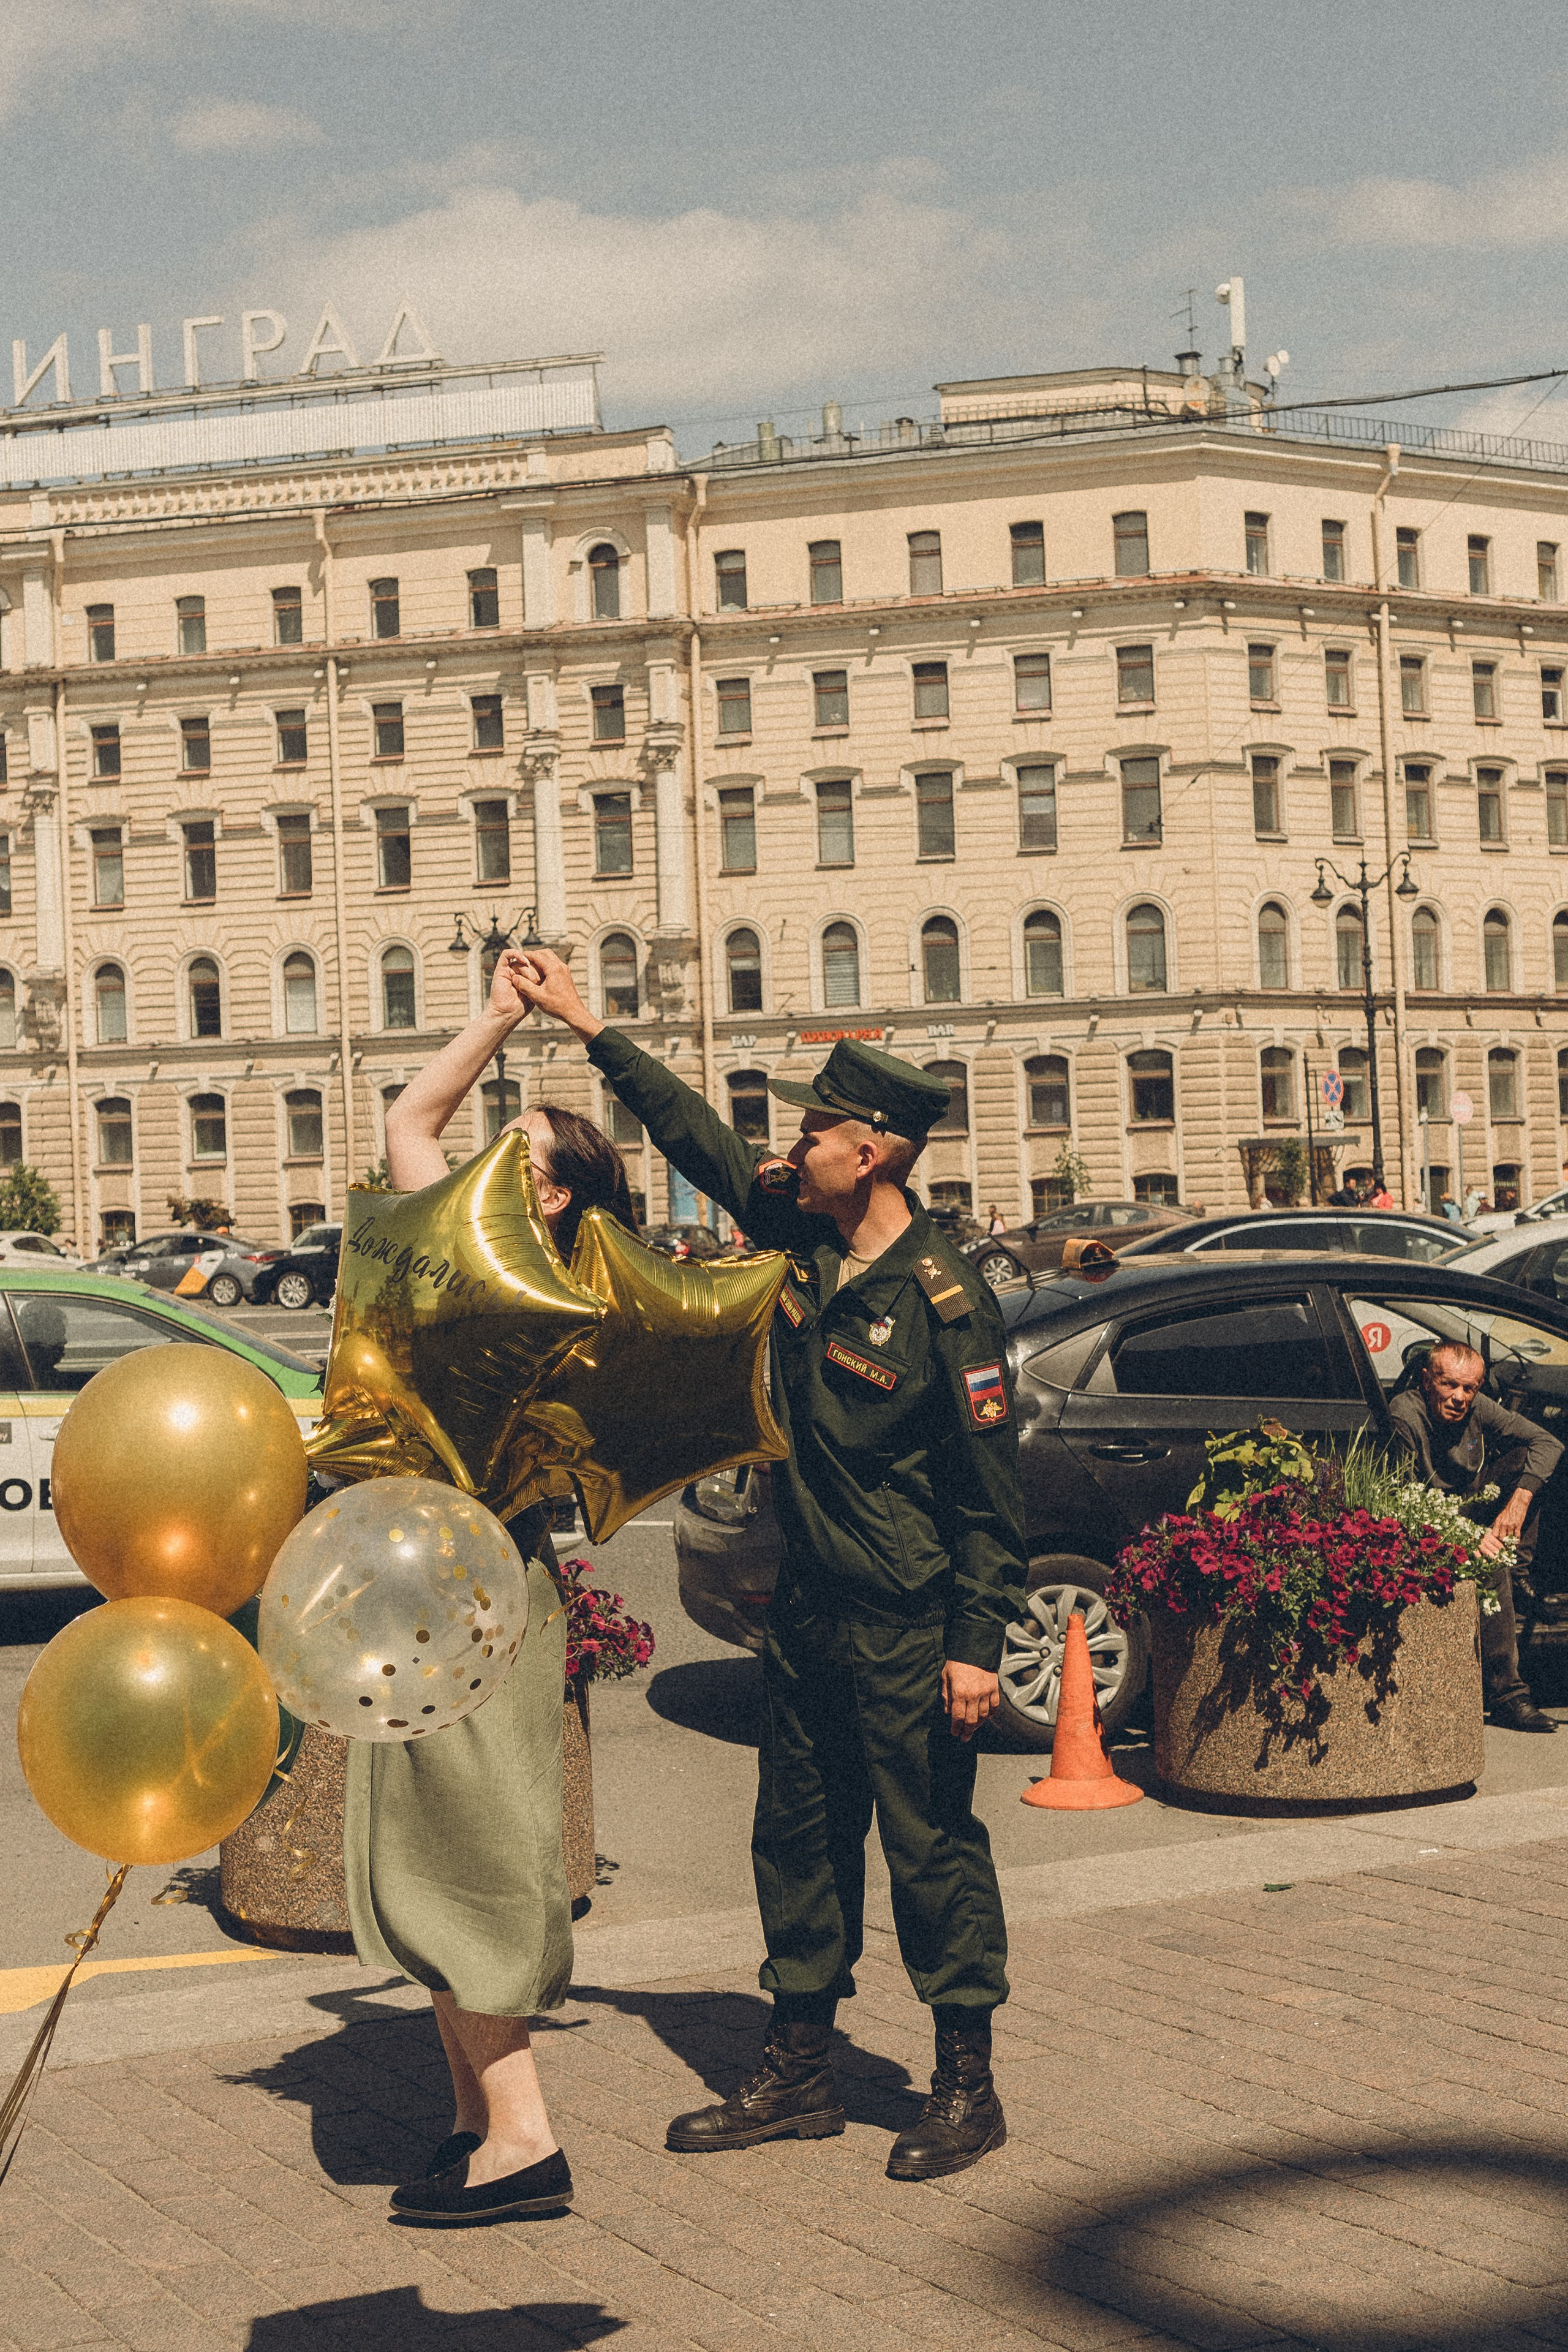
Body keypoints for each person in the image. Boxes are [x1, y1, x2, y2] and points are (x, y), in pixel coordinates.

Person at [514, 946, 1027, 2184]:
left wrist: (974, 1641)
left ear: (879, 1152)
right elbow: (692, 1135)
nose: (794, 1149)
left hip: (908, 1623)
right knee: (795, 1840)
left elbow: (989, 1496)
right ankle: (796, 2065)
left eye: (819, 1133)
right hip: (805, 1611)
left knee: (928, 1850)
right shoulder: (795, 1236)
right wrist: (585, 1022)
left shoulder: (946, 1305)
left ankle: (965, 2080)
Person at [346, 955, 637, 2226]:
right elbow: (408, 1121)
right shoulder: (468, 1251)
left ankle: (526, 2143)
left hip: (483, 1586)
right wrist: (501, 1015)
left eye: (506, 1149)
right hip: (428, 1577)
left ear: (551, 1189)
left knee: (467, 1850)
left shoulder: (556, 1297)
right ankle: (475, 2123)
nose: (468, 1157)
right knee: (418, 1844)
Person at [1389, 1339, 1562, 1733]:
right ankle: (1508, 1696)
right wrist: (1466, 1538)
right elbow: (1402, 1507)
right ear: (1426, 1380)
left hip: (1468, 1503)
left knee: (1528, 1467)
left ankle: (1518, 1577)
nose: (1459, 1398)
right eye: (1449, 1385)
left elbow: (1548, 1443)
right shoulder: (1405, 1416)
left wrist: (1518, 1500)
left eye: (1470, 1388)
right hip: (1427, 1521)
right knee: (1489, 1565)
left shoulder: (1476, 1407)